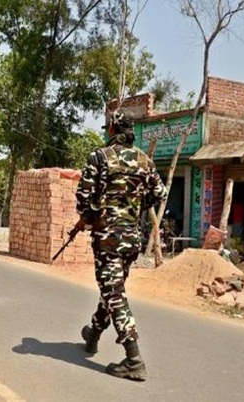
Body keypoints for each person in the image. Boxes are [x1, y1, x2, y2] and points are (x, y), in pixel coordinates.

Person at [75, 109, 167, 381]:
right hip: (132, 240)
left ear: (113, 129)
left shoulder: (99, 157)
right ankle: (93, 334)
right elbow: (159, 194)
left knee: (114, 293)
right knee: (112, 288)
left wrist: (92, 215)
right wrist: (137, 207)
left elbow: (84, 199)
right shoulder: (145, 160)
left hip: (108, 239)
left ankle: (133, 358)